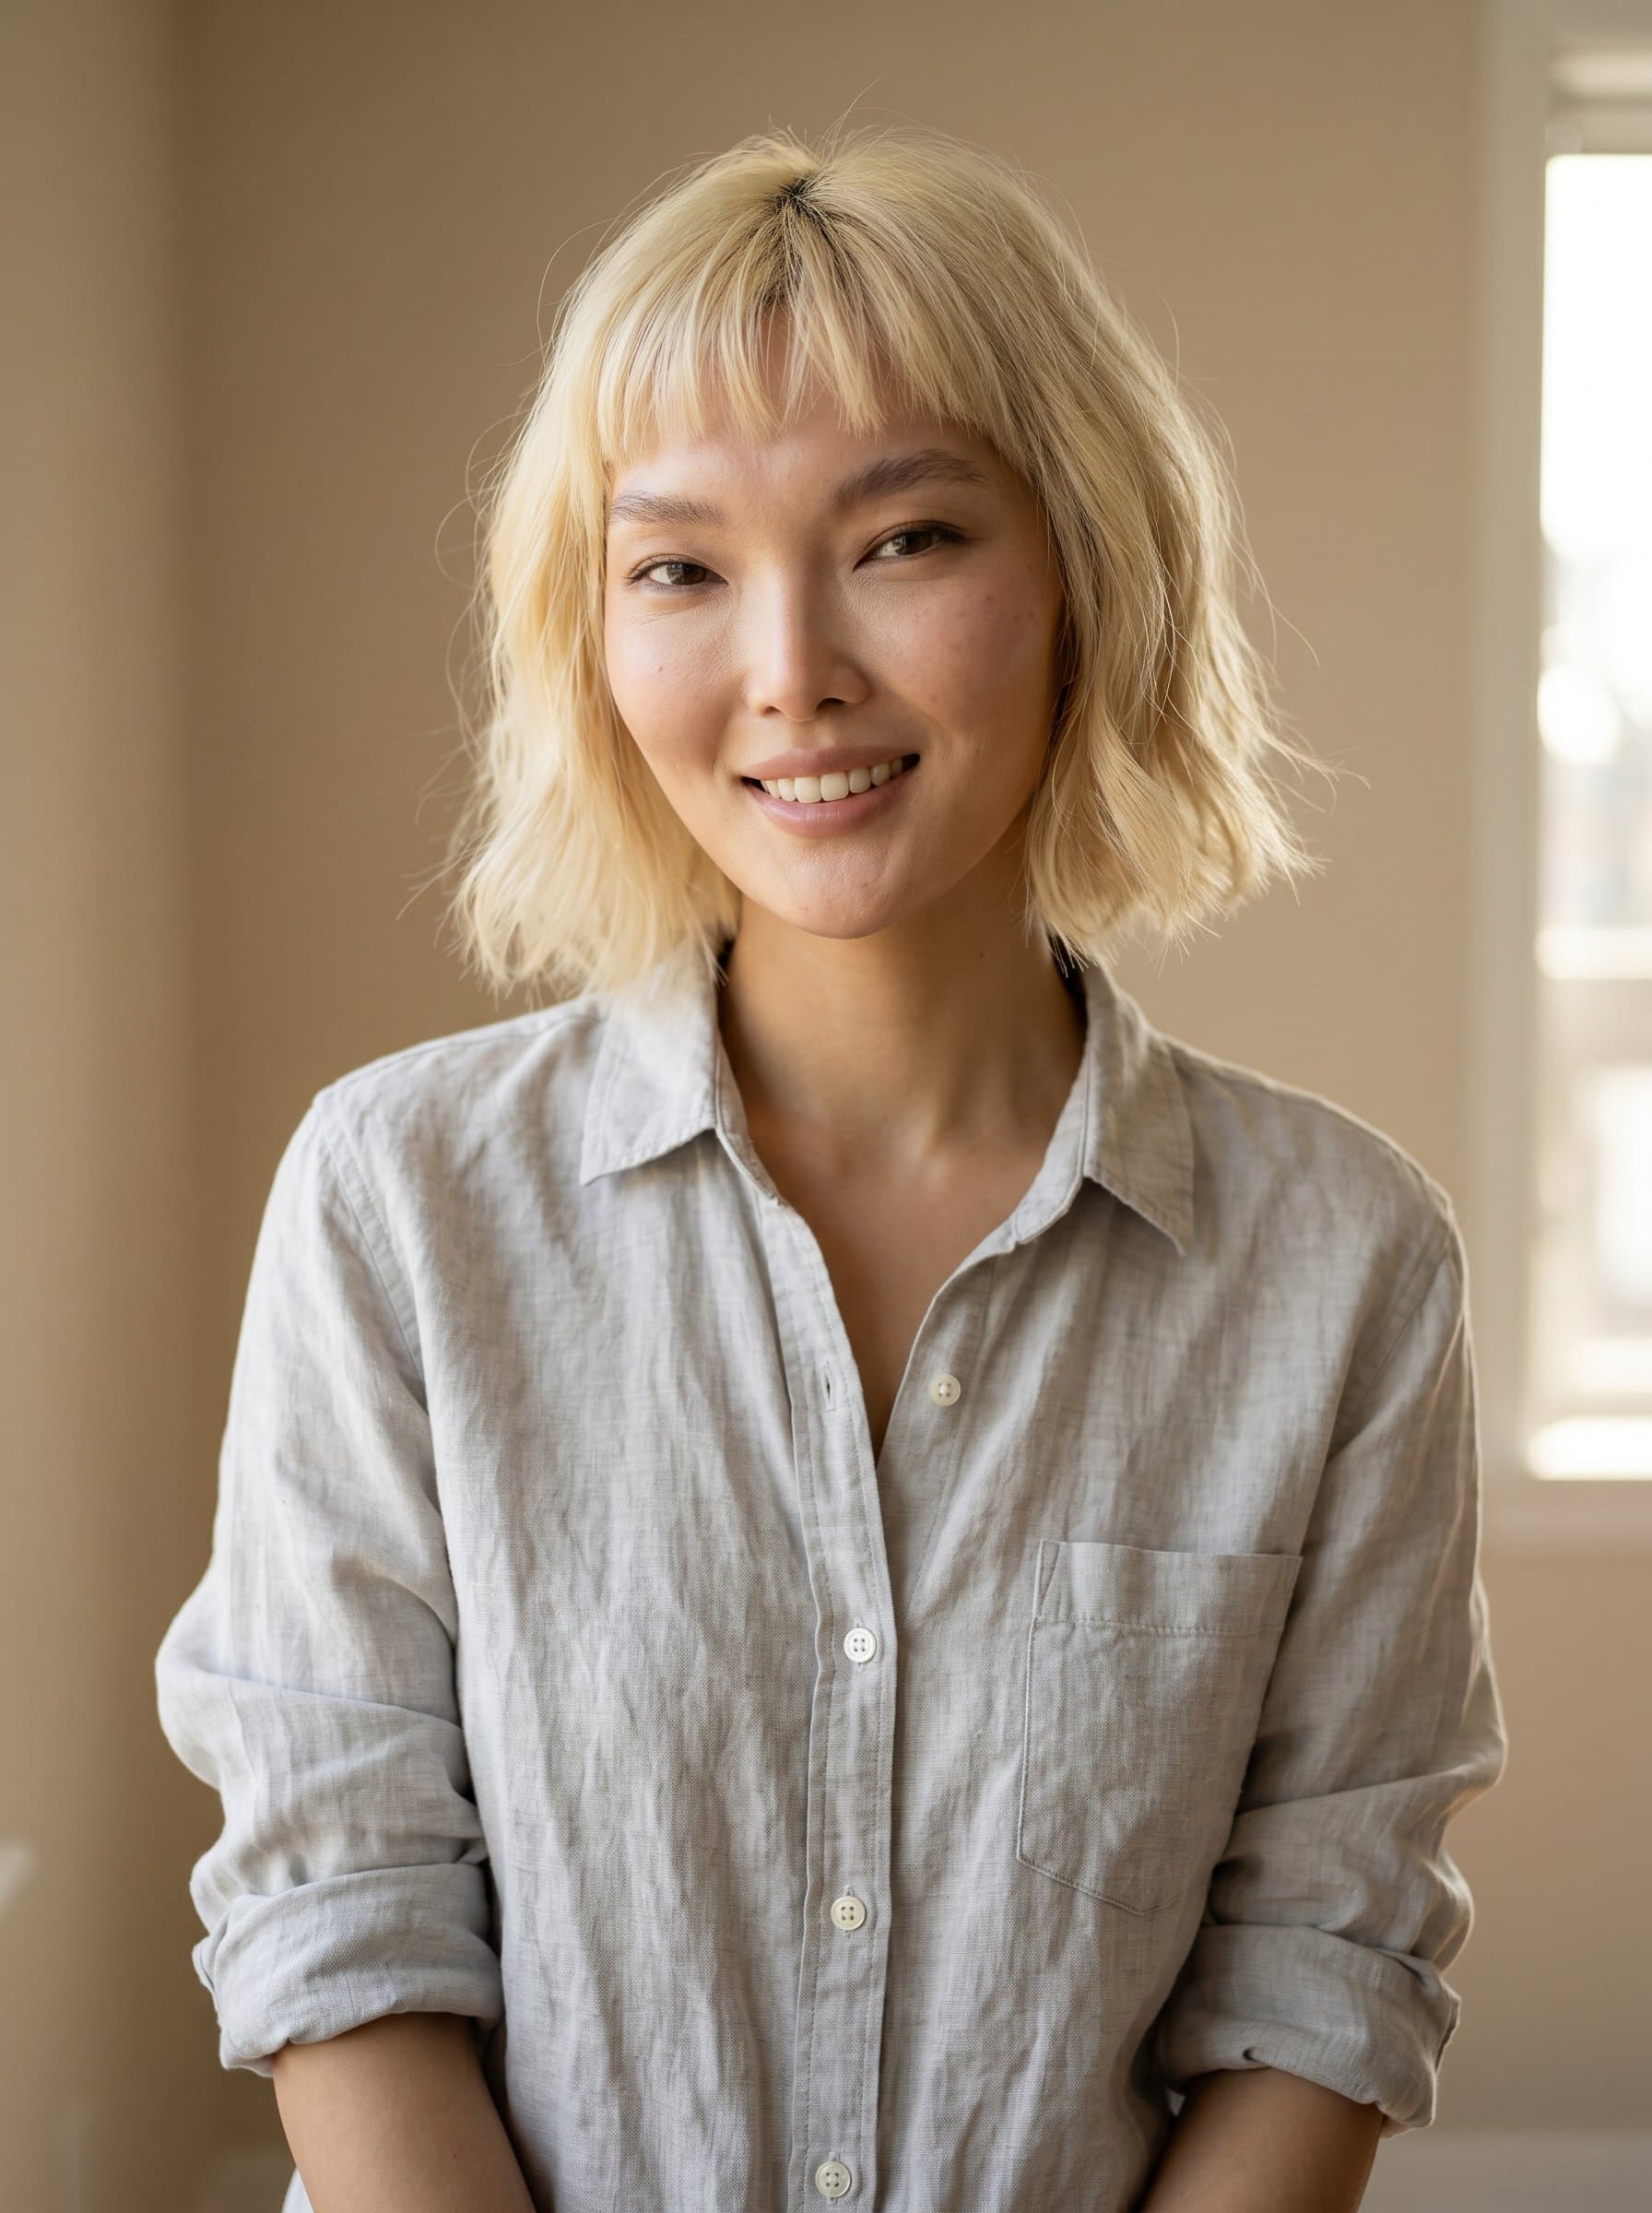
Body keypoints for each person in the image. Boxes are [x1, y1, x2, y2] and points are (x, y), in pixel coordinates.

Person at [154, 117, 1507, 2213]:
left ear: (1082, 571)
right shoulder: (394, 1201)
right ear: (593, 641)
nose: (790, 668)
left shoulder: (1339, 1264)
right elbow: (340, 1914)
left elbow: (1319, 1972)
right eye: (679, 566)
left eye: (904, 541)